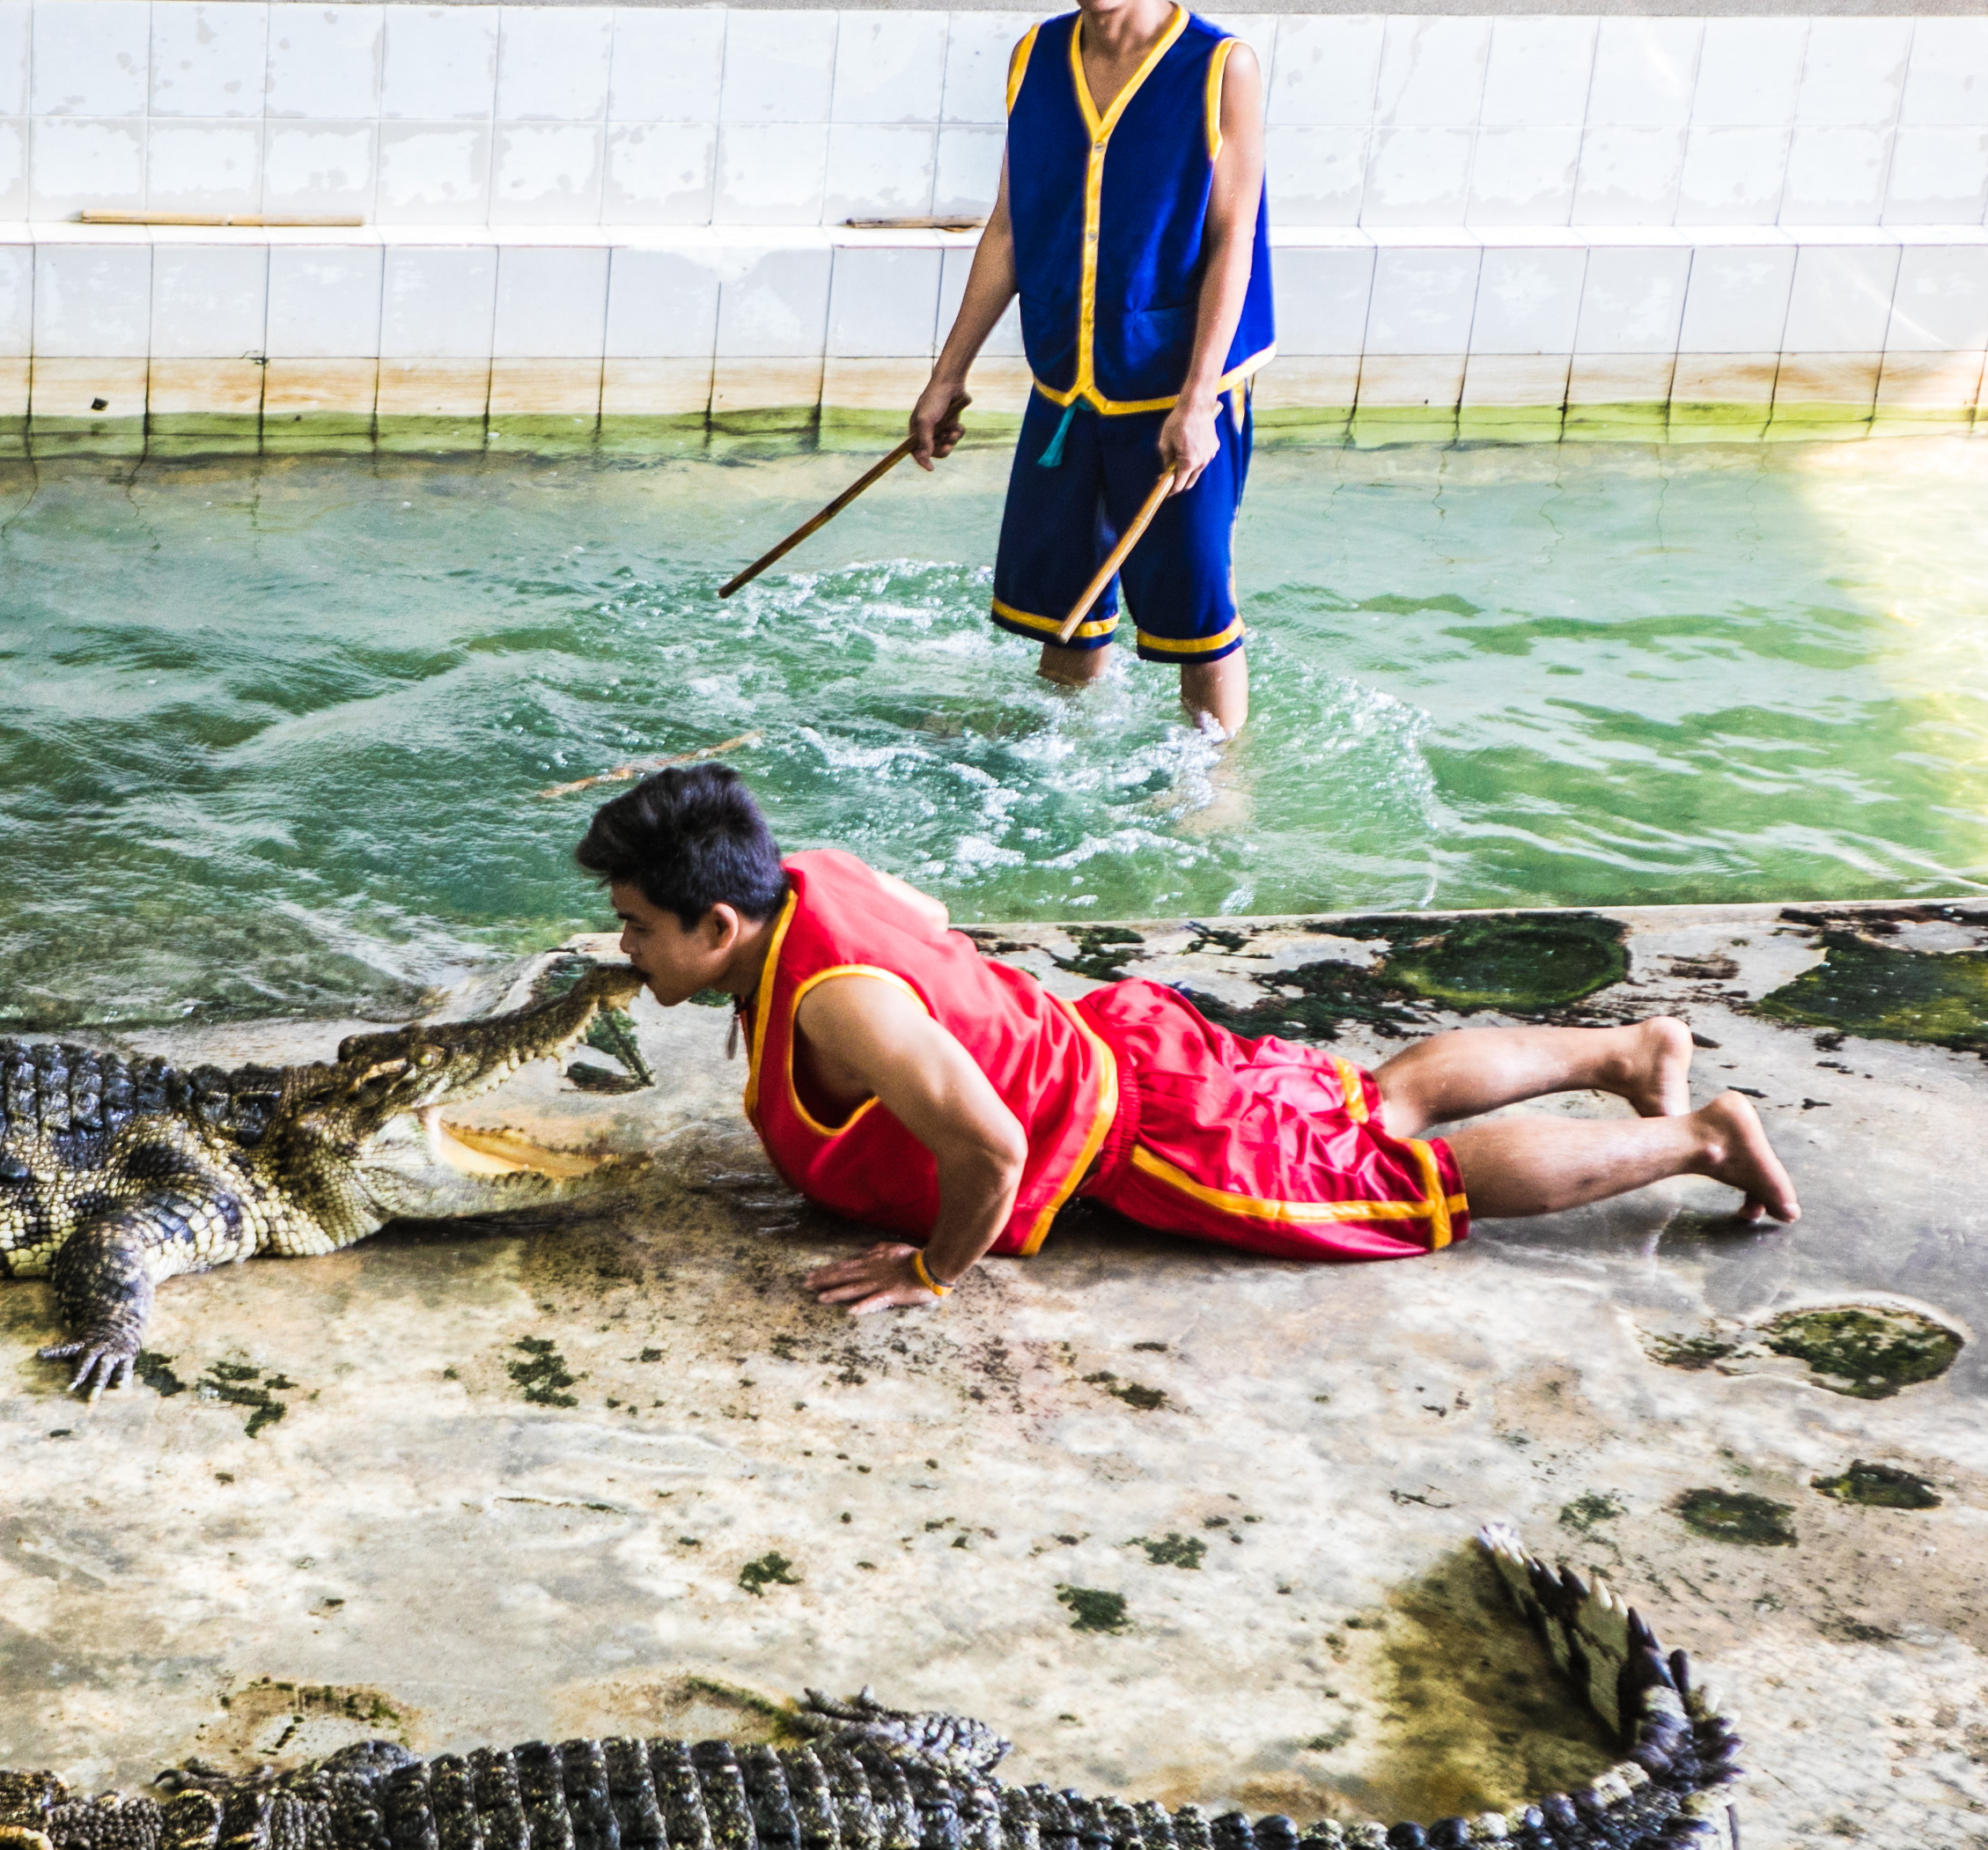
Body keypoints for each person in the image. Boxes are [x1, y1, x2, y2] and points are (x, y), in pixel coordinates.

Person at [576, 767, 1797, 1316]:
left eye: (635, 924)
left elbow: (992, 1149)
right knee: (1371, 1104)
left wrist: (933, 1270)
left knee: (1404, 1178)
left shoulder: (840, 1008)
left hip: (1150, 1136)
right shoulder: (807, 872)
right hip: (1114, 1043)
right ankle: (1625, 1054)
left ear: (717, 924)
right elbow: (934, 922)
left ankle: (1699, 1138)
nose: (622, 944)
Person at [909, 0, 1274, 734]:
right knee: (1065, 620)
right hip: (1067, 386)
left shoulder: (1220, 66)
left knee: (1197, 620)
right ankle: (1057, 762)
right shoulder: (1034, 57)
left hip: (1177, 391)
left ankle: (1216, 783)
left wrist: (1198, 399)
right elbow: (1010, 228)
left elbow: (1233, 238)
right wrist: (947, 375)